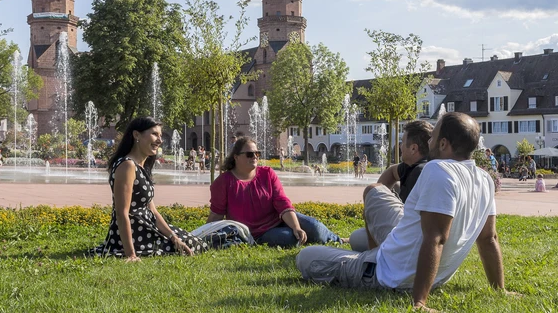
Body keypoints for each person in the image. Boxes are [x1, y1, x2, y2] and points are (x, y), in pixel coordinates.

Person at [297, 112, 511, 312]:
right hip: (426, 270)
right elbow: (488, 238)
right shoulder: (484, 179)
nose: (429, 142)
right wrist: (499, 289)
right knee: (375, 193)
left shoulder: (438, 170)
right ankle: (372, 253)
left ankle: (369, 260)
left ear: (443, 144)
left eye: (433, 137)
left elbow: (435, 238)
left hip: (389, 275)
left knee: (306, 257)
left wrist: (419, 301)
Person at [91, 117, 208, 260]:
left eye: (160, 135)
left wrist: (173, 237)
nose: (160, 140)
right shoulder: (127, 166)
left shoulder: (140, 166)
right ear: (136, 135)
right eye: (154, 134)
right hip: (136, 234)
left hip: (148, 228)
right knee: (196, 245)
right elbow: (122, 213)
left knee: (193, 242)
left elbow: (152, 210)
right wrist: (131, 254)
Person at [206, 136, 343, 247]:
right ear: (236, 157)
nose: (254, 157)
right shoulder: (223, 182)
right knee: (289, 238)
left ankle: (339, 240)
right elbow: (216, 214)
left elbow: (282, 202)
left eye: (257, 153)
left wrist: (296, 226)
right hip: (257, 233)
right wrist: (203, 236)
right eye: (249, 154)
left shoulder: (267, 174)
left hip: (279, 218)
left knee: (315, 227)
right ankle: (305, 237)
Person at [348, 120, 433, 252]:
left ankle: (374, 257)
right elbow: (392, 171)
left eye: (403, 142)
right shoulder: (412, 166)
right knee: (356, 237)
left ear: (413, 148)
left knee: (355, 238)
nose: (400, 146)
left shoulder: (420, 172)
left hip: (408, 239)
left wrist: (373, 206)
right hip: (405, 230)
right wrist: (379, 198)